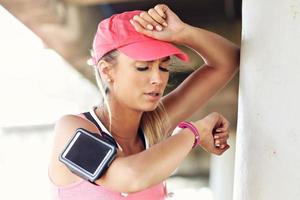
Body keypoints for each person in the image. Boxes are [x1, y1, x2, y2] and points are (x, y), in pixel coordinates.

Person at [48, 4, 240, 200]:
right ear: (107, 71)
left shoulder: (153, 127)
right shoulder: (71, 131)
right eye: (143, 67)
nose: (158, 79)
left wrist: (183, 33)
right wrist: (195, 132)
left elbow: (227, 61)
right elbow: (132, 177)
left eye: (164, 67)